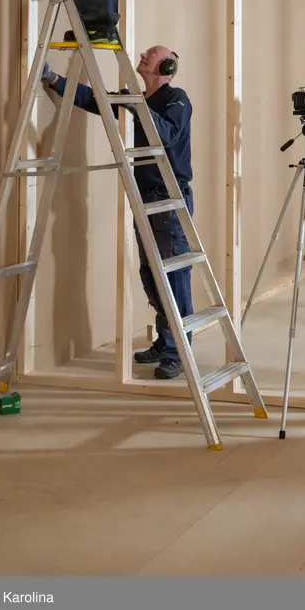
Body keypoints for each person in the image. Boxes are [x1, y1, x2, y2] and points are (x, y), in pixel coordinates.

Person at [42, 44, 194, 380]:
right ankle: (164, 339)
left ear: (166, 66)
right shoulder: (137, 101)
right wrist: (55, 80)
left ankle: (178, 351)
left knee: (172, 277)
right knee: (151, 274)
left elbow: (166, 134)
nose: (142, 56)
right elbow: (95, 99)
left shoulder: (177, 99)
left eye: (150, 55)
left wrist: (135, 104)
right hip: (144, 196)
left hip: (170, 199)